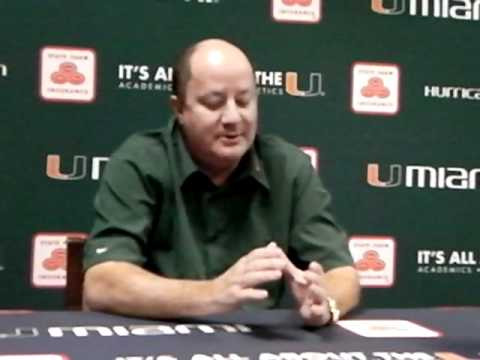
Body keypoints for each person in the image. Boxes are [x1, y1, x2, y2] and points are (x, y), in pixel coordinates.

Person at [83, 38, 360, 326]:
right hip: (159, 338)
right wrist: (215, 294)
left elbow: (342, 273)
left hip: (256, 343)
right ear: (179, 108)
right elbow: (103, 282)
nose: (233, 117)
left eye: (244, 101)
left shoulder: (288, 166)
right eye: (213, 103)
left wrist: (325, 302)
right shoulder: (139, 161)